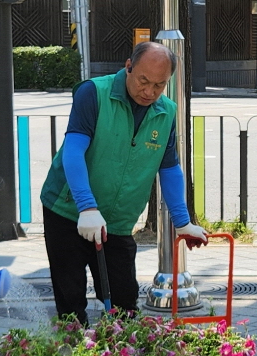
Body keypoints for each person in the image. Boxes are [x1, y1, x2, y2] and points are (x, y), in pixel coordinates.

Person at [39, 41, 207, 322]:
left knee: (124, 302)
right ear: (128, 66)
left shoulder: (166, 112)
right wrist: (87, 207)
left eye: (159, 85)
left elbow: (169, 168)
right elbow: (73, 150)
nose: (149, 92)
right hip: (68, 211)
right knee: (70, 300)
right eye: (143, 81)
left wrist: (182, 221)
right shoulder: (93, 93)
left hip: (117, 220)